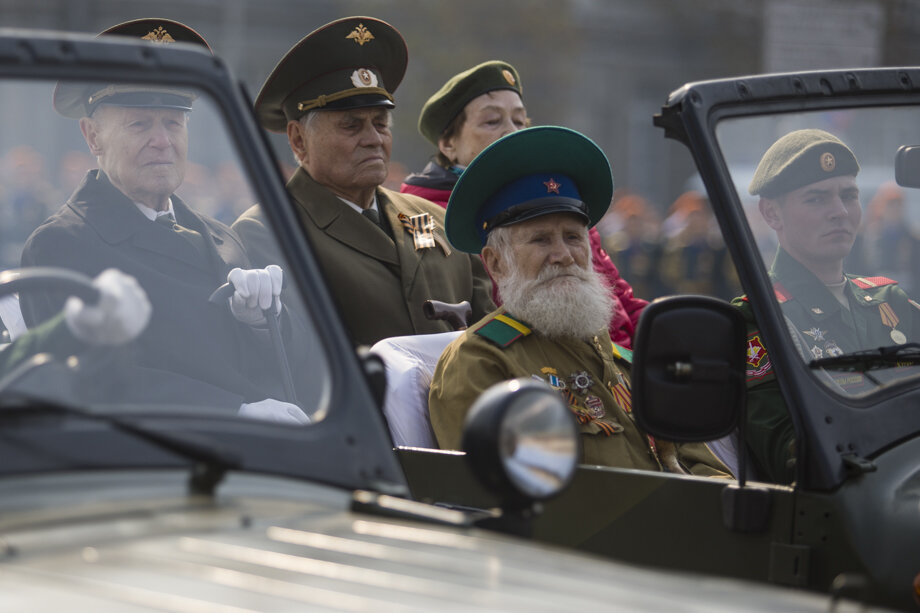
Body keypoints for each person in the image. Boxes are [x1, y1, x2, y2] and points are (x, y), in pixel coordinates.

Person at [19, 19, 307, 424]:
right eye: (140, 124)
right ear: (93, 137)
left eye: (173, 122)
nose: (162, 140)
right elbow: (82, 382)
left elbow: (296, 369)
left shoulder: (222, 237)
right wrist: (231, 413)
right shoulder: (59, 245)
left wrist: (265, 321)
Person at [428, 126, 727, 475]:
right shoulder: (481, 362)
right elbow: (506, 498)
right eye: (541, 240)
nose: (564, 255)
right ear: (495, 262)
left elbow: (707, 468)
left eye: (573, 237)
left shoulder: (621, 358)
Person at [233, 17, 494, 347]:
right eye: (351, 126)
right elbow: (292, 359)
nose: (374, 139)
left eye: (381, 123)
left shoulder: (441, 221)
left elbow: (492, 345)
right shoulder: (267, 233)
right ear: (298, 139)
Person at [400, 60, 648, 349]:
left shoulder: (557, 202)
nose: (511, 131)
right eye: (492, 121)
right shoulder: (426, 219)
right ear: (448, 143)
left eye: (519, 121)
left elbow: (622, 301)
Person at [734, 128, 920, 482]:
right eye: (816, 199)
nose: (839, 211)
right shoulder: (759, 318)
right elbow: (791, 456)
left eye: (848, 195)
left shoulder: (890, 301)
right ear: (772, 214)